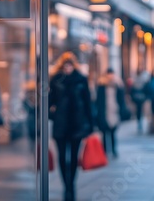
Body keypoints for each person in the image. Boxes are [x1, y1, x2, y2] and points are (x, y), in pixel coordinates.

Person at [49, 52, 93, 201]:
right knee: (62, 156)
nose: (67, 68)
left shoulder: (81, 80)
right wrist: (53, 115)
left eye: (70, 65)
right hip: (60, 124)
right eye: (65, 65)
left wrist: (90, 125)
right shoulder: (56, 80)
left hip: (77, 124)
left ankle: (71, 185)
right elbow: (49, 102)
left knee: (74, 156)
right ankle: (65, 185)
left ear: (73, 66)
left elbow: (87, 102)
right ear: (61, 66)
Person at [96, 68, 127, 158]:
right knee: (105, 132)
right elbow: (98, 100)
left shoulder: (117, 85)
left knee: (113, 131)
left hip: (114, 111)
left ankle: (113, 149)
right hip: (104, 111)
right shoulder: (101, 85)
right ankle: (105, 151)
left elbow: (121, 100)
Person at [130, 68, 150, 133]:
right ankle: (141, 123)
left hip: (137, 98)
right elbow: (146, 90)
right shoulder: (143, 81)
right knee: (142, 111)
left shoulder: (135, 81)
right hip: (142, 98)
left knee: (139, 111)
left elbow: (132, 91)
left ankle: (139, 122)